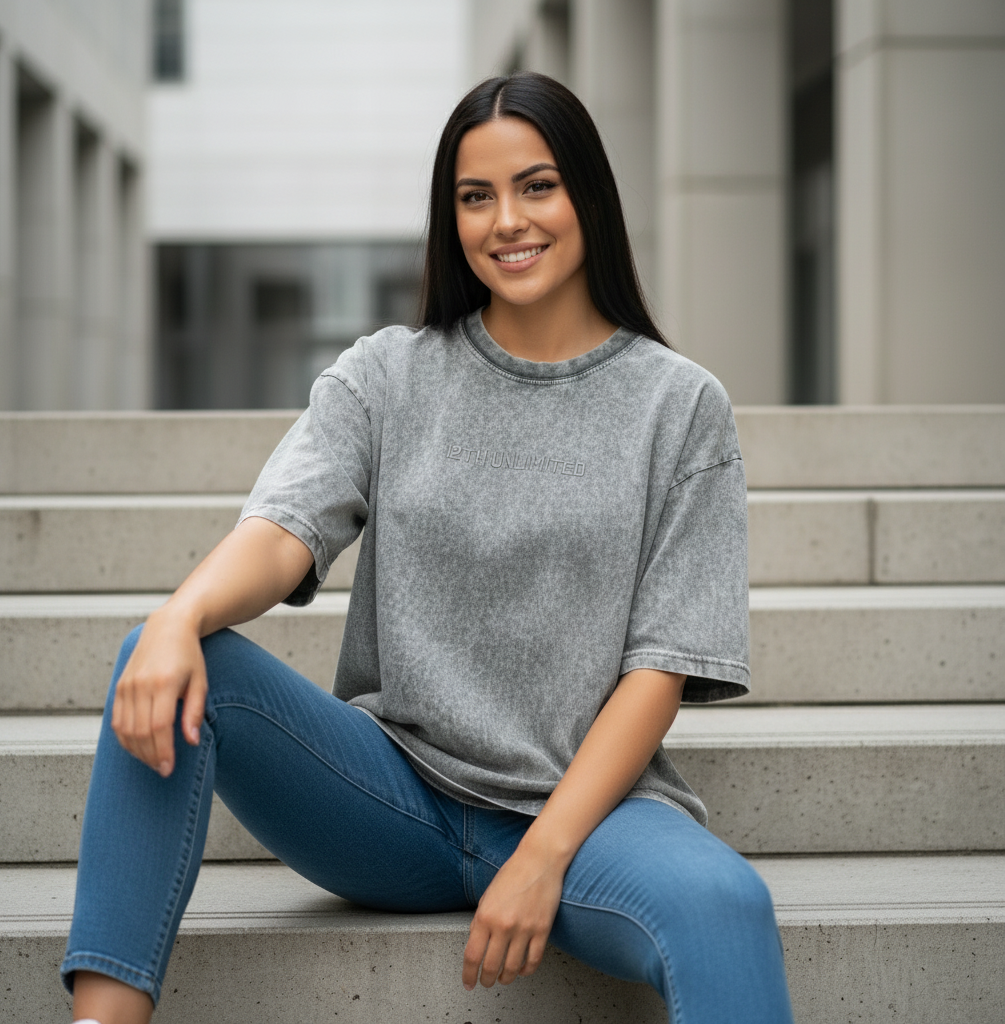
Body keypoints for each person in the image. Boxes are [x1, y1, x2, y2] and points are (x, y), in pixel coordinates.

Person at [62, 72, 795, 1024]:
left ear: (588, 195)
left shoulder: (681, 406)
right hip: (391, 799)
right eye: (475, 196)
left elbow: (660, 669)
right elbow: (283, 532)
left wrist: (543, 856)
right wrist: (178, 615)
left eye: (537, 186)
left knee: (726, 907)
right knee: (163, 659)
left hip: (589, 821)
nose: (507, 221)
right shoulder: (387, 375)